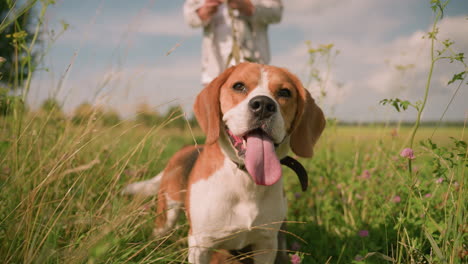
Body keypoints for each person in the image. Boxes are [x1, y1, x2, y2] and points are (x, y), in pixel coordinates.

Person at [184, 0, 283, 86]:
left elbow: (277, 13)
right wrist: (203, 12)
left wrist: (248, 6)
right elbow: (190, 18)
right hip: (214, 67)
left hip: (255, 63)